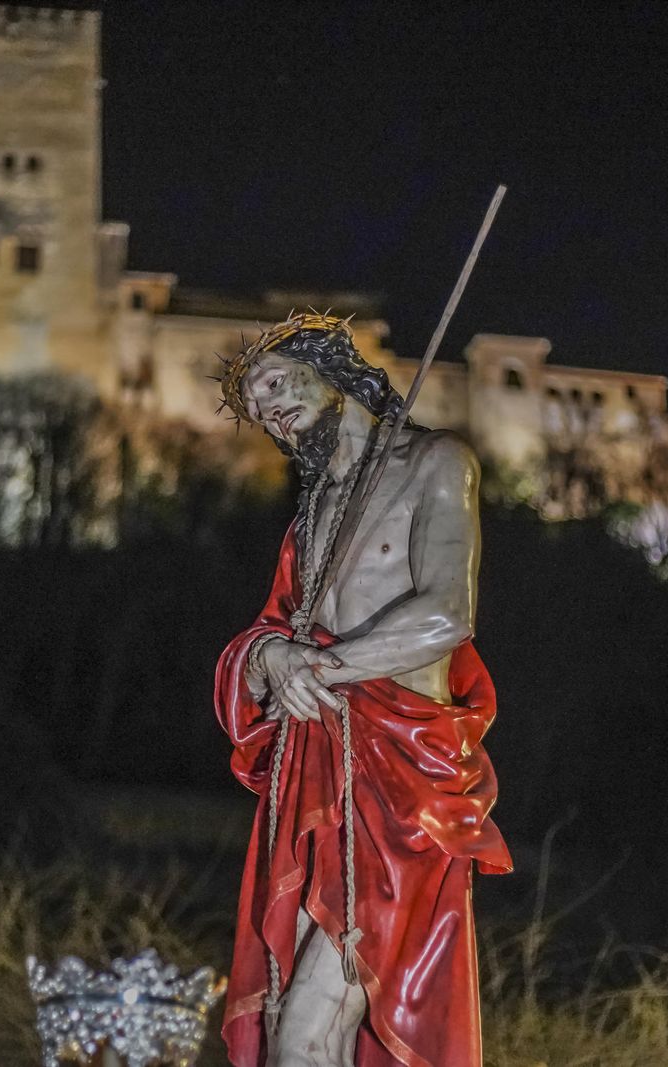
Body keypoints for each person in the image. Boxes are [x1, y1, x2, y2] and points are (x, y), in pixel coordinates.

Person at [212, 312, 512, 1067]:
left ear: (333, 369)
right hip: (323, 786)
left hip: (407, 790)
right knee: (323, 1036)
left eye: (277, 383)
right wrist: (277, 657)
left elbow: (448, 611)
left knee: (306, 1037)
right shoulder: (310, 520)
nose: (269, 407)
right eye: (258, 403)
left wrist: (324, 667)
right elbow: (258, 649)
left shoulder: (436, 462)